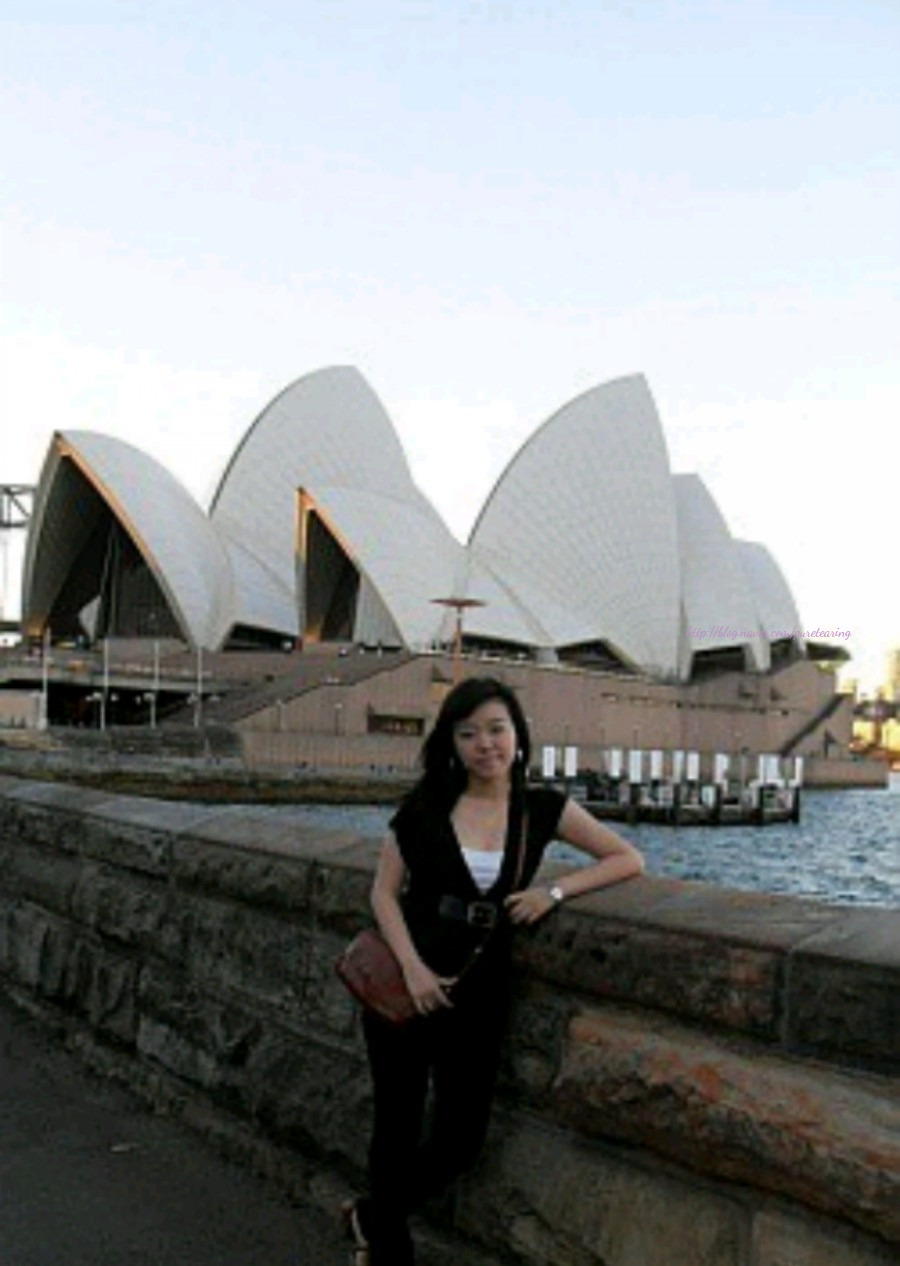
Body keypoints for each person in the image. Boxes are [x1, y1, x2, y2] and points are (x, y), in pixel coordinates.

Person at [343, 676, 644, 1266]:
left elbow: (626, 858)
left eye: (496, 729)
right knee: (396, 1124)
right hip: (407, 980)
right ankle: (387, 1252)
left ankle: (372, 1218)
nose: (486, 744)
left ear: (518, 736)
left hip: (481, 987)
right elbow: (383, 893)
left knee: (461, 1138)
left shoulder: (541, 808)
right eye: (469, 733)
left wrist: (553, 892)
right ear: (452, 743)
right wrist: (412, 968)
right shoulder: (426, 807)